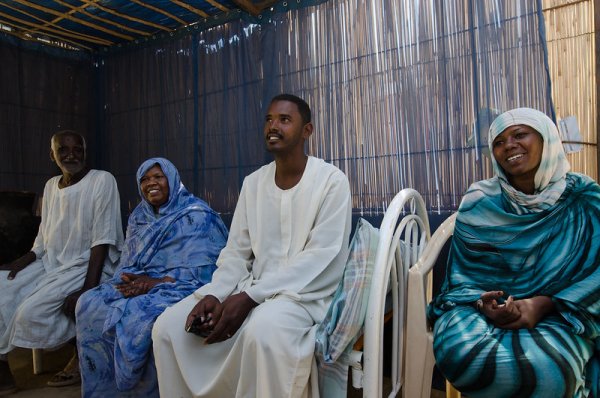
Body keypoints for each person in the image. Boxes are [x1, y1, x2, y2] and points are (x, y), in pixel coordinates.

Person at [152, 94, 352, 397]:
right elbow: (236, 253)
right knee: (167, 327)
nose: (273, 126)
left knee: (263, 332)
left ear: (307, 130)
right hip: (248, 289)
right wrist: (215, 293)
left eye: (285, 120)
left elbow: (320, 258)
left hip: (303, 297)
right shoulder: (253, 183)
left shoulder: (331, 182)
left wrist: (250, 297)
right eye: (269, 119)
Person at [428, 107, 600, 397]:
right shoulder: (480, 199)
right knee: (464, 355)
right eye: (498, 141)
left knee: (550, 372)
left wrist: (542, 305)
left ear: (547, 139)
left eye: (520, 134)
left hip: (564, 313)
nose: (509, 145)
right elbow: (463, 279)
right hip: (478, 312)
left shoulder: (583, 197)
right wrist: (484, 304)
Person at [76, 157, 228, 397]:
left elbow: (211, 272)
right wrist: (132, 280)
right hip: (141, 282)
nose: (151, 183)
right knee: (89, 303)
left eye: (158, 177)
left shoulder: (198, 216)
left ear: (172, 179)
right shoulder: (139, 216)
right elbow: (129, 263)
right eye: (145, 179)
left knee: (140, 315)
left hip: (182, 286)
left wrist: (156, 283)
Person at [0, 130, 124, 395]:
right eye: (63, 150)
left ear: (85, 152)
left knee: (29, 312)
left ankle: (83, 352)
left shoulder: (102, 181)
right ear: (52, 154)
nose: (71, 155)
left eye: (77, 149)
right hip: (51, 264)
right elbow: (43, 239)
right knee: (1, 288)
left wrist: (87, 289)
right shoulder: (50, 186)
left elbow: (102, 239)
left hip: (87, 266)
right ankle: (3, 373)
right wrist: (18, 263)